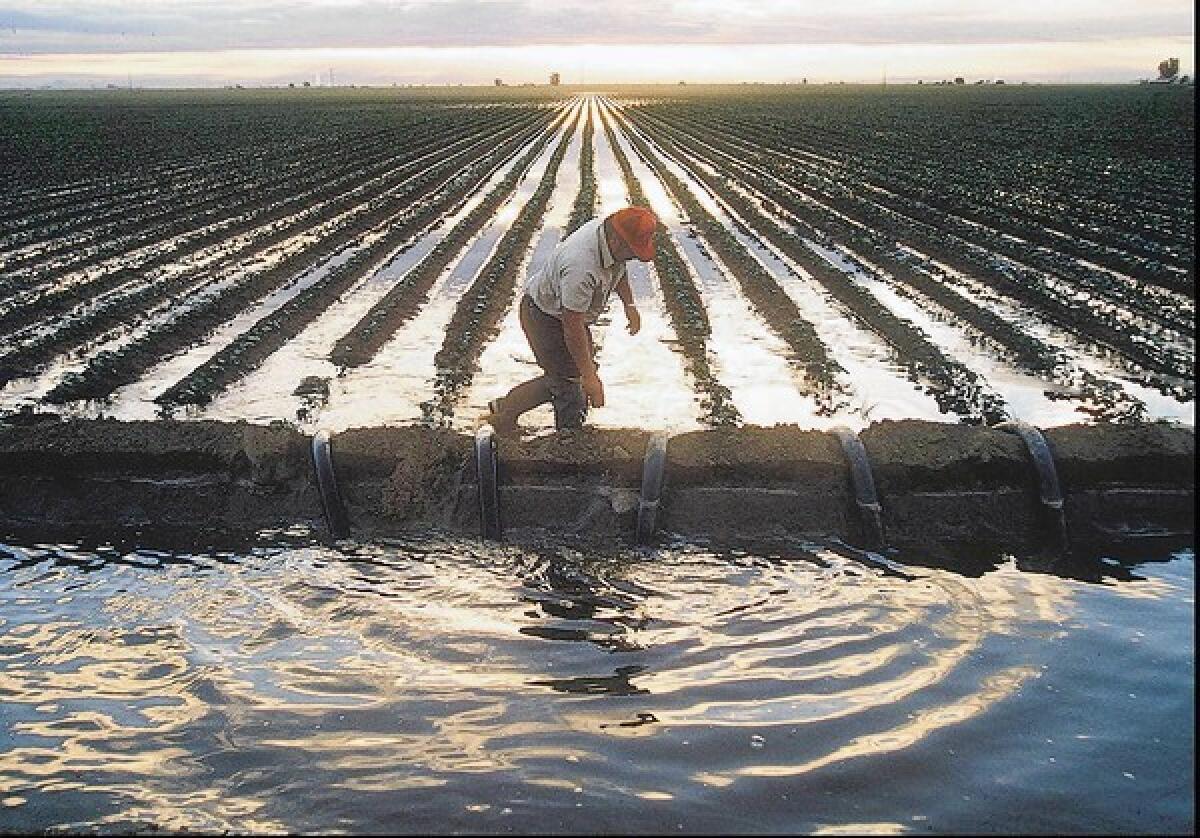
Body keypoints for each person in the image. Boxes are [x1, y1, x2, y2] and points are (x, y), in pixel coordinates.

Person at [483, 205, 658, 435]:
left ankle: (505, 408)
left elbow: (620, 269)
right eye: (633, 252)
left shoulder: (611, 239)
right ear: (617, 241)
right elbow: (572, 326)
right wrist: (589, 377)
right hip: (544, 318)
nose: (633, 257)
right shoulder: (581, 266)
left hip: (563, 314)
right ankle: (568, 443)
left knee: (564, 378)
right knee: (569, 384)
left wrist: (630, 305)